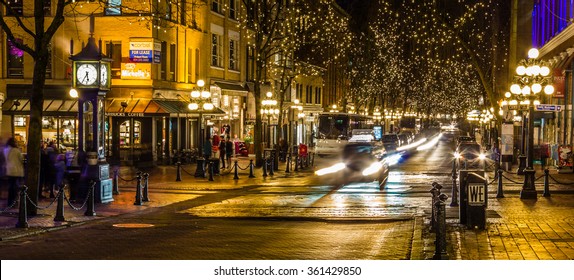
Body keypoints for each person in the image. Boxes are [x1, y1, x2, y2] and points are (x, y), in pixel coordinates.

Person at [3, 137, 24, 207]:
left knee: (10, 186)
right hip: (16, 170)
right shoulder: (16, 150)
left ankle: (10, 201)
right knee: (15, 186)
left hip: (9, 170)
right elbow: (21, 159)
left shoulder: (5, 150)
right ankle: (14, 202)